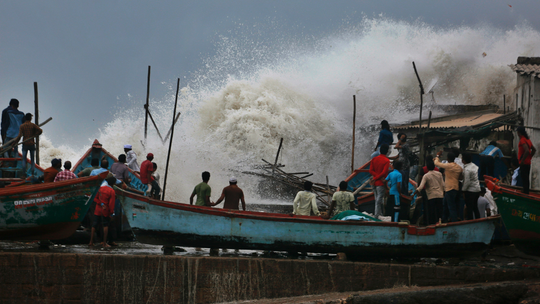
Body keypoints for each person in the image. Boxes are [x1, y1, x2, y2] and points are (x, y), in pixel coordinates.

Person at [413, 160, 445, 225]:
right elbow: (443, 185)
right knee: (439, 212)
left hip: (431, 196)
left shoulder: (426, 175)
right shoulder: (439, 174)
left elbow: (421, 186)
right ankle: (440, 224)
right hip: (440, 195)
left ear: (427, 168)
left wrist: (415, 192)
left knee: (432, 212)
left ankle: (431, 226)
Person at [88, 176, 117, 248]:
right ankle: (104, 243)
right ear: (113, 184)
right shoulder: (111, 191)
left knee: (94, 225)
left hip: (98, 209)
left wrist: (101, 204)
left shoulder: (100, 189)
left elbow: (95, 198)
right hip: (105, 210)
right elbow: (111, 204)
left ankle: (91, 242)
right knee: (105, 225)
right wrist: (111, 213)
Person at [434, 151, 463, 222]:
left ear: (448, 159)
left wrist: (437, 156)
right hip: (456, 188)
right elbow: (460, 177)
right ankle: (444, 220)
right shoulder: (459, 167)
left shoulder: (448, 165)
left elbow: (436, 163)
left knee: (451, 206)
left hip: (449, 188)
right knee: (445, 205)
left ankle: (454, 221)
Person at [369, 144, 390, 218]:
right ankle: (377, 215)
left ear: (380, 151)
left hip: (373, 182)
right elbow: (384, 173)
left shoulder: (374, 159)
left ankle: (379, 213)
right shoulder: (387, 160)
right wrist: (377, 177)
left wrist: (375, 177)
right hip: (380, 183)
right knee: (379, 200)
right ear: (387, 152)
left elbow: (371, 171)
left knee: (376, 199)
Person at [462, 153, 481, 220]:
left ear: (463, 160)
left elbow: (467, 182)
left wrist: (463, 190)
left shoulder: (467, 169)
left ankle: (470, 221)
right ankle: (478, 220)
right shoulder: (474, 166)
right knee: (475, 207)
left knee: (469, 208)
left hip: (470, 191)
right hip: (477, 189)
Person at [517, 126, 536, 194]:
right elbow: (534, 149)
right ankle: (526, 191)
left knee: (524, 178)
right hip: (528, 162)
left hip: (523, 163)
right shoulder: (528, 140)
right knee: (526, 178)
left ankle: (525, 192)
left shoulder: (522, 140)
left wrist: (522, 160)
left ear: (519, 132)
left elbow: (527, 151)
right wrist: (530, 157)